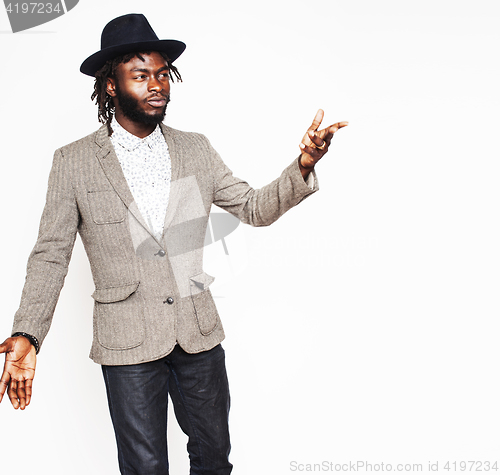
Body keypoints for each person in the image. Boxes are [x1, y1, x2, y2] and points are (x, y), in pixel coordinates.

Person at [0, 13, 347, 475]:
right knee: (145, 468)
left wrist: (302, 165)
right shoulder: (75, 163)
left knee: (213, 459)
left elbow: (254, 207)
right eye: (140, 75)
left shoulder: (195, 149)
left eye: (162, 73)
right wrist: (28, 333)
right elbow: (50, 254)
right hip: (127, 342)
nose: (156, 84)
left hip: (197, 334)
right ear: (110, 85)